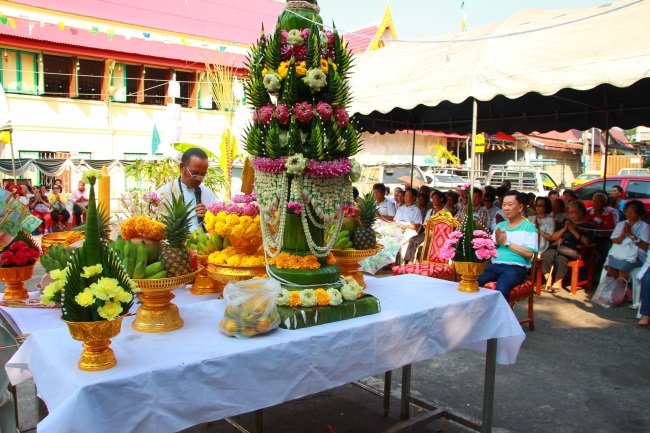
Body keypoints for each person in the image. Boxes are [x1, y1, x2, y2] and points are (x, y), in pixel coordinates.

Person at [478, 191, 538, 300]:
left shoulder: (529, 227)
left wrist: (506, 243)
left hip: (515, 268)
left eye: (510, 205)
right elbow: (492, 247)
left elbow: (529, 253)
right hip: (495, 266)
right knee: (475, 282)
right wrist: (490, 244)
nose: (506, 208)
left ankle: (503, 317)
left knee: (502, 287)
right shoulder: (500, 225)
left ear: (520, 207)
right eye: (504, 204)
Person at [156, 148, 216, 232]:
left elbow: (217, 226)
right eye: (194, 173)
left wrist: (209, 217)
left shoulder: (207, 193)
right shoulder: (164, 193)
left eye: (203, 175)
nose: (199, 179)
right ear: (182, 167)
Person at [541, 201, 595, 292]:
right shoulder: (565, 223)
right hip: (559, 247)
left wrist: (572, 230)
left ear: (581, 212)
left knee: (561, 258)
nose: (571, 215)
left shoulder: (588, 225)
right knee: (546, 255)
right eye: (570, 213)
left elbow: (587, 242)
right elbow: (553, 237)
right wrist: (564, 229)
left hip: (574, 251)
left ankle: (558, 282)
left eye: (574, 212)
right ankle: (548, 280)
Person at [605, 200, 649, 281]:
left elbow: (644, 246)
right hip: (619, 253)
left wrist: (630, 234)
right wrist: (623, 234)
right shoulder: (621, 224)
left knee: (623, 272)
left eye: (632, 212)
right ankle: (620, 288)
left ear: (639, 213)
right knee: (609, 269)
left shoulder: (645, 226)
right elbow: (614, 241)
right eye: (627, 211)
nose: (629, 214)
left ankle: (624, 290)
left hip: (636, 255)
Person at [403, 190, 446, 263]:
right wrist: (428, 225)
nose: (433, 201)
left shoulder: (445, 212)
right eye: (433, 199)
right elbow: (425, 223)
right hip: (428, 233)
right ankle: (408, 261)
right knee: (412, 239)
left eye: (435, 199)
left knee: (418, 243)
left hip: (438, 235)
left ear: (441, 199)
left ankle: (416, 262)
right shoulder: (431, 211)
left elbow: (444, 226)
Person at [587, 192, 617, 276]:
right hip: (588, 237)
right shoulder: (588, 211)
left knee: (606, 249)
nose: (597, 203)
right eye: (595, 201)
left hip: (602, 238)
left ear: (605, 203)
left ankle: (598, 274)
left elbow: (610, 232)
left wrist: (598, 228)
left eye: (600, 201)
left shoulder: (610, 213)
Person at [394, 187, 423, 261]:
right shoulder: (400, 208)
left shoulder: (416, 210)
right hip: (398, 229)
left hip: (410, 230)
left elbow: (417, 226)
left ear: (413, 197)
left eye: (407, 195)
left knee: (405, 239)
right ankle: (392, 261)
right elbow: (395, 221)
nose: (405, 197)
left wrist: (404, 226)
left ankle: (403, 261)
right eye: (405, 195)